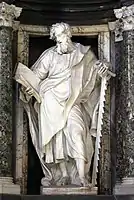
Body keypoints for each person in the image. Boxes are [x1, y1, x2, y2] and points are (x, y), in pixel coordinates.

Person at [19, 22, 109, 187]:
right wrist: (29, 89)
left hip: (72, 103)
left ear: (68, 35)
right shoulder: (50, 55)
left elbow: (95, 74)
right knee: (56, 140)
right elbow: (36, 77)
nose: (59, 41)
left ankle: (82, 177)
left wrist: (104, 69)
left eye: (62, 36)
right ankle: (64, 175)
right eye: (56, 38)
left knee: (78, 132)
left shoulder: (83, 53)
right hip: (50, 102)